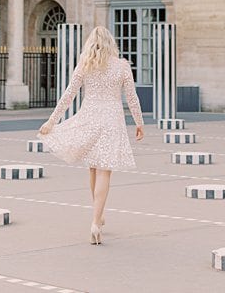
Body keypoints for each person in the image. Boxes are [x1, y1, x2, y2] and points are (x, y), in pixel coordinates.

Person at [37, 25, 144, 245]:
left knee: (93, 168)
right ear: (110, 43)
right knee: (105, 170)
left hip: (90, 117)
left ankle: (98, 215)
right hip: (112, 118)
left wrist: (52, 120)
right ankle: (97, 220)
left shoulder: (86, 65)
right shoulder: (122, 66)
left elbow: (68, 95)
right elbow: (132, 98)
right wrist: (139, 122)